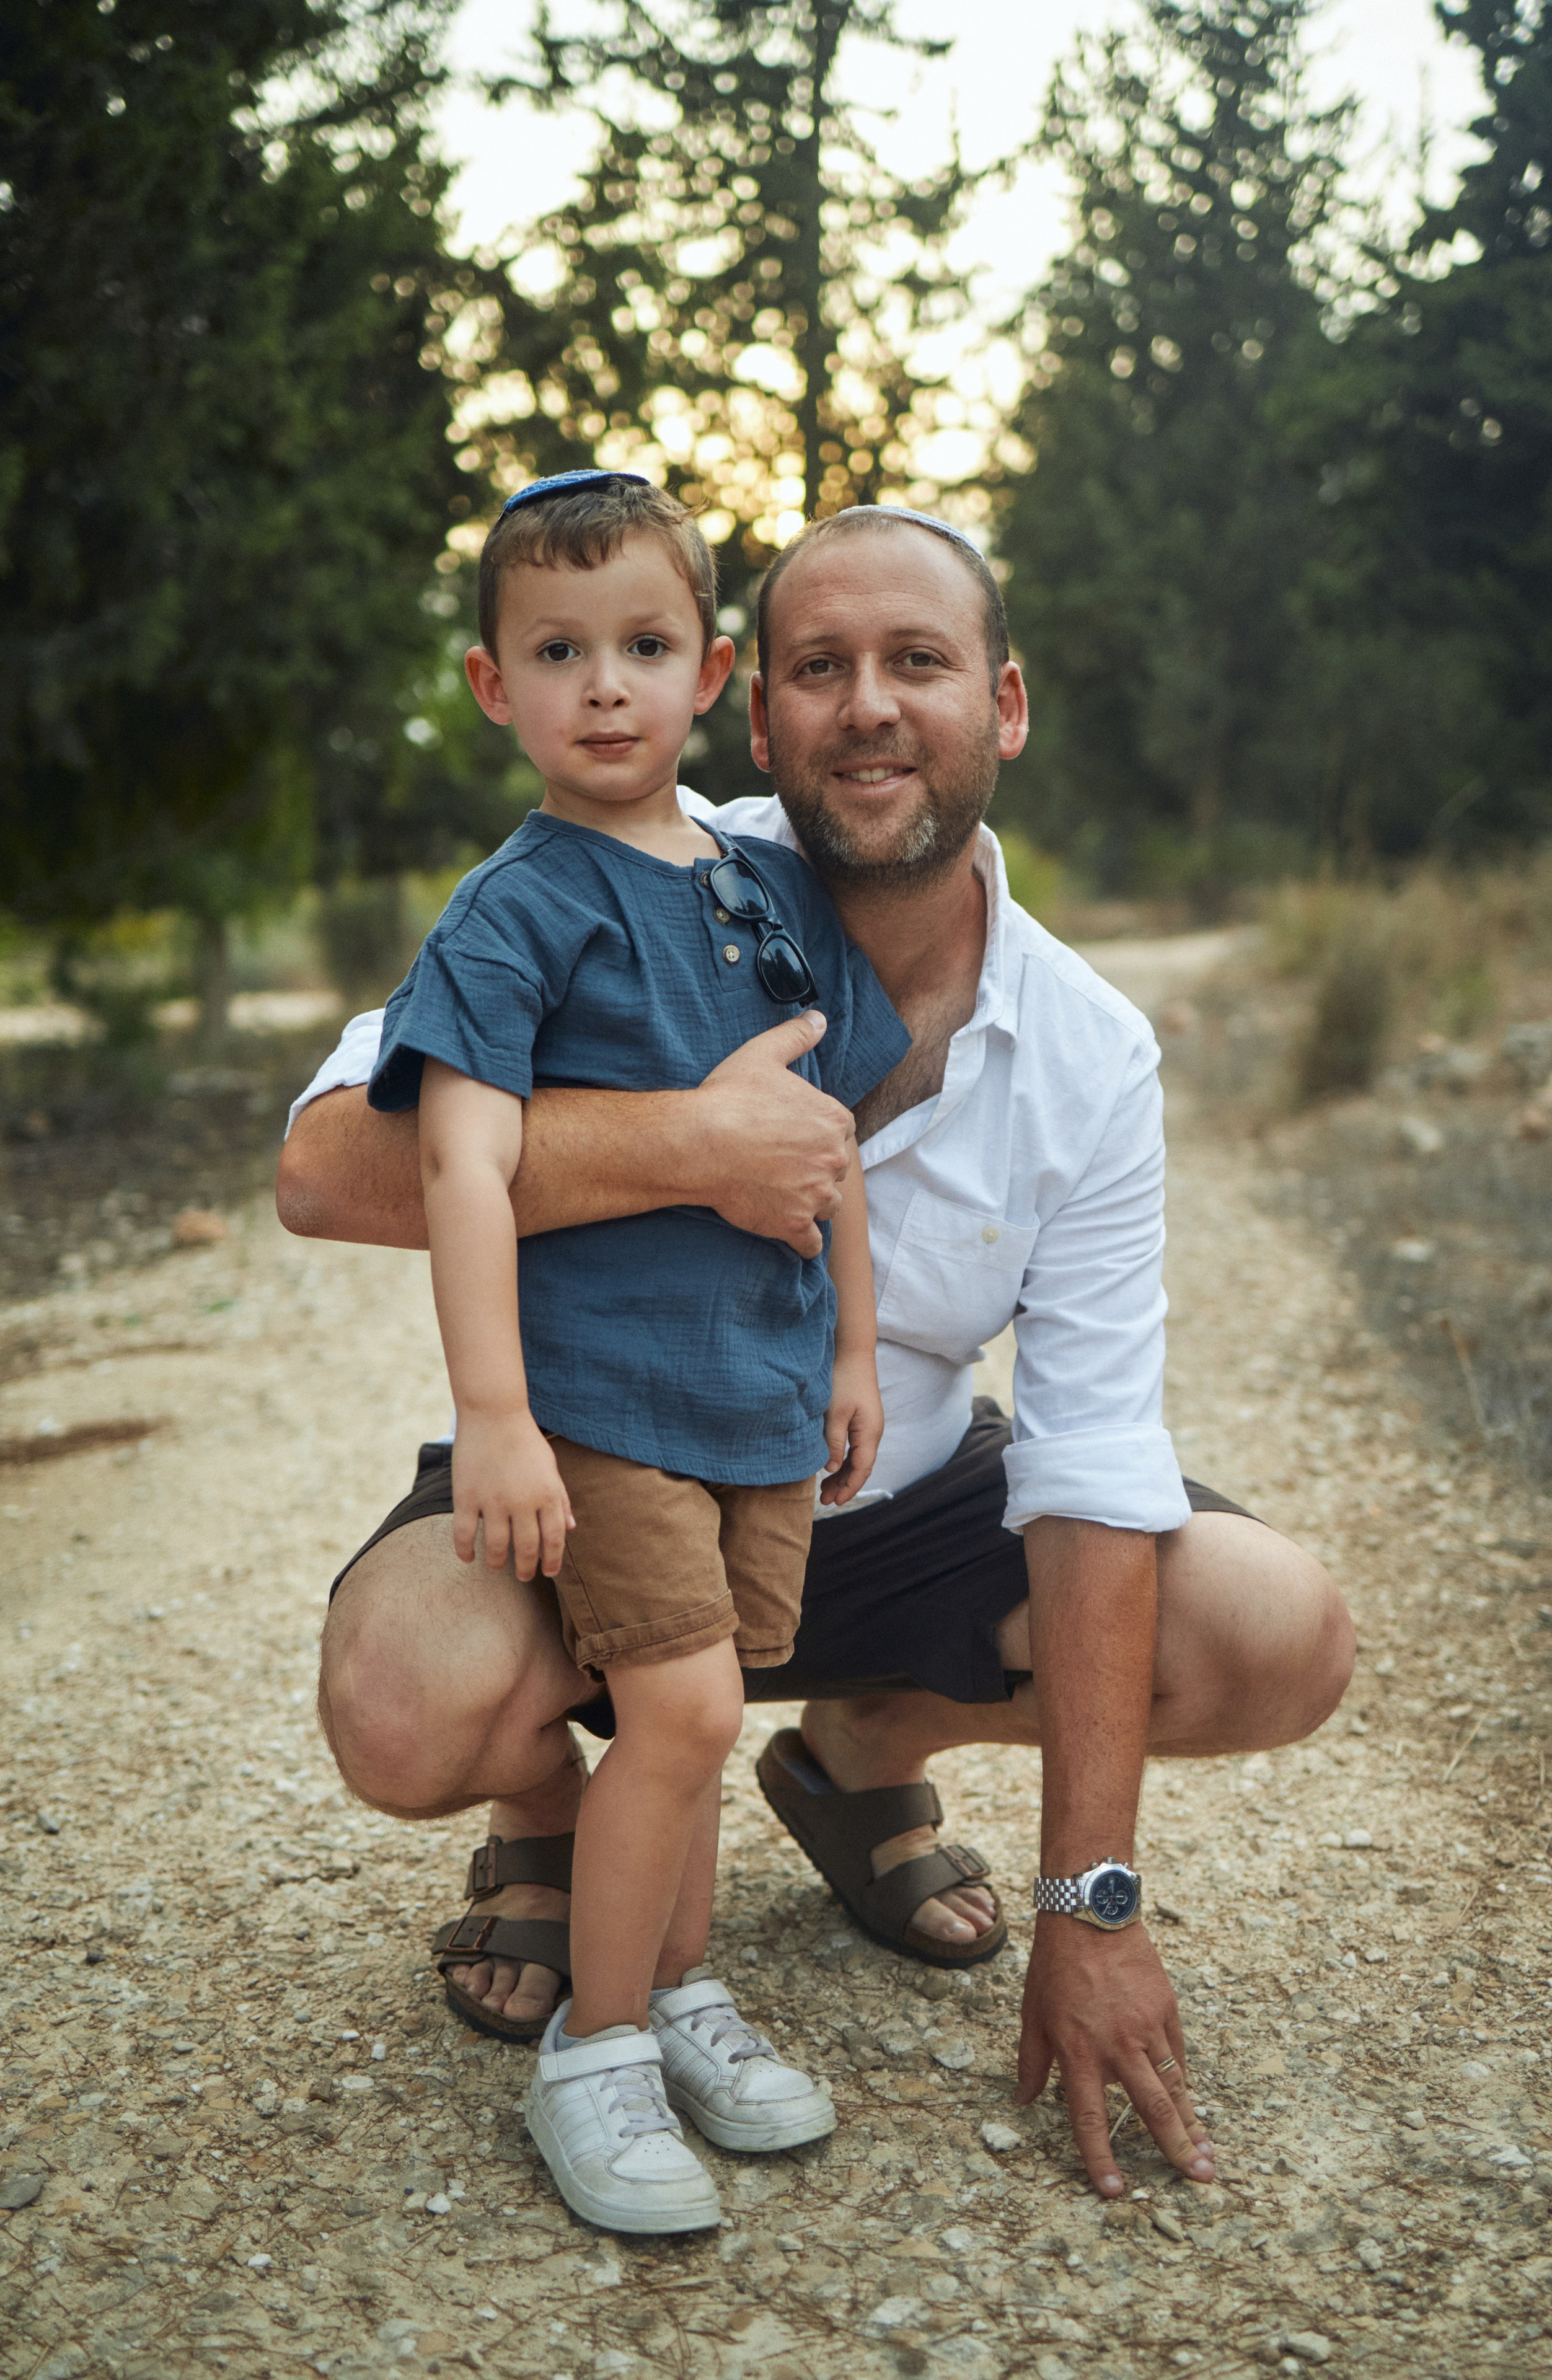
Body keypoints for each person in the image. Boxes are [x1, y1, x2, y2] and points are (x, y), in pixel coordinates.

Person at [279, 497, 1356, 2202]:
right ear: (758, 715)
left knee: (1276, 1633)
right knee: (404, 1706)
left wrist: (1091, 1903)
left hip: (882, 1491)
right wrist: (682, 1146)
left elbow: (1090, 1465)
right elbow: (329, 1166)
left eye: (919, 661)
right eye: (821, 668)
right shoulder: (617, 858)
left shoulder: (1088, 1050)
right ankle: (559, 1828)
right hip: (617, 1452)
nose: (869, 707)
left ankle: (861, 1754)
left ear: (1004, 704)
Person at [366, 469, 913, 2236]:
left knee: (703, 1715)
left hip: (759, 1394)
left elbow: (827, 1134)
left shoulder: (769, 890)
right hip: (606, 1402)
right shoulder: (513, 912)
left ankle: (675, 1992)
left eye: (645, 646)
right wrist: (494, 1416)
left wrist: (855, 1350)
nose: (604, 686)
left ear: (710, 673)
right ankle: (593, 2054)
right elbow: (464, 1168)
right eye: (557, 651)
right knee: (680, 1709)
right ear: (492, 685)